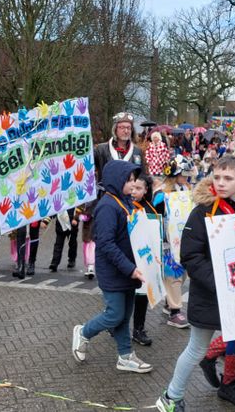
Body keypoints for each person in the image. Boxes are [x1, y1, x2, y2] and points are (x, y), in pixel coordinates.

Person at [156, 156, 235, 412]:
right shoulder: (200, 212)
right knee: (196, 349)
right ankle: (171, 396)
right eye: (217, 177)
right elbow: (190, 256)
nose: (221, 183)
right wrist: (220, 282)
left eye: (228, 178)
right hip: (210, 295)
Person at [72, 160, 153, 373]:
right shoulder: (108, 206)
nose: (133, 186)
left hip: (127, 270)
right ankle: (84, 332)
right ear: (117, 180)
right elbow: (106, 243)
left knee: (124, 315)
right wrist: (130, 268)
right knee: (115, 314)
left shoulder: (124, 202)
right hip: (114, 271)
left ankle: (125, 356)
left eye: (135, 182)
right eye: (130, 181)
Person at [86, 112, 147, 279]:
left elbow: (144, 175)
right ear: (115, 129)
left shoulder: (137, 151)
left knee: (126, 236)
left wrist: (141, 187)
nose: (125, 131)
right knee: (106, 236)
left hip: (130, 201)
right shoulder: (101, 149)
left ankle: (127, 267)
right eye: (122, 127)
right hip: (107, 200)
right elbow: (87, 166)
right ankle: (104, 270)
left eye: (128, 128)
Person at [153, 155, 197, 329]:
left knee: (183, 272)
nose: (186, 176)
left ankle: (169, 303)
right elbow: (156, 215)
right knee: (173, 275)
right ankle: (175, 311)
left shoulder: (186, 189)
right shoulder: (161, 193)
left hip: (185, 238)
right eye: (183, 173)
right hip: (167, 240)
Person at [130, 174, 159, 347]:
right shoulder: (126, 207)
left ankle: (138, 329)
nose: (134, 191)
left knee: (142, 297)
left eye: (138, 188)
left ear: (146, 190)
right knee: (124, 296)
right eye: (132, 187)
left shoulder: (151, 209)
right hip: (128, 261)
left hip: (144, 260)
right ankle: (114, 323)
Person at [49, 207, 80, 273]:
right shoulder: (60, 196)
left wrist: (76, 218)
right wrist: (47, 220)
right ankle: (55, 263)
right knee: (58, 244)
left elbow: (80, 205)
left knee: (72, 243)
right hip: (60, 223)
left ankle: (72, 259)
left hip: (72, 223)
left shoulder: (75, 196)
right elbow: (54, 208)